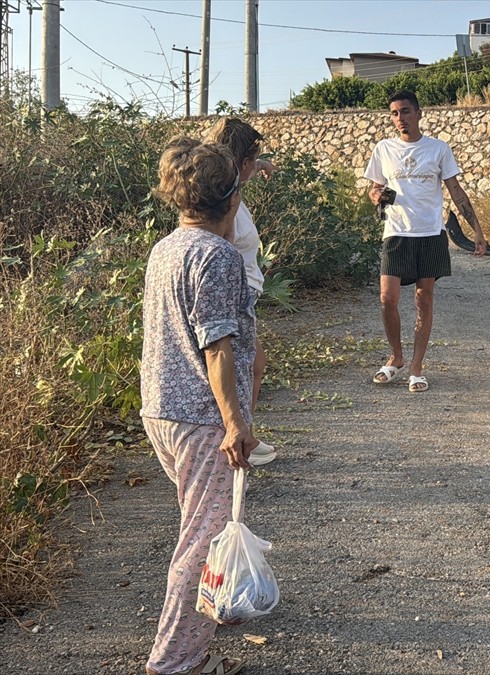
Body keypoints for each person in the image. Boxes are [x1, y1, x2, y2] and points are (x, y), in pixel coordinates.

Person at [141, 137, 256, 675]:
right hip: (201, 418)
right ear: (230, 198)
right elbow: (216, 345)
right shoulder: (219, 256)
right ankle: (175, 660)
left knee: (199, 522)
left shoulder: (166, 248)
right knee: (201, 539)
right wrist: (235, 423)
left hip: (161, 410)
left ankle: (211, 609)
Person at [364, 90, 487, 392]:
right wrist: (376, 196)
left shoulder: (438, 149)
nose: (400, 119)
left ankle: (417, 368)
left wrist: (477, 231)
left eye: (405, 111)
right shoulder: (384, 149)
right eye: (394, 113)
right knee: (387, 298)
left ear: (419, 113)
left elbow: (456, 191)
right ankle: (396, 357)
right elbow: (374, 189)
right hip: (396, 233)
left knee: (423, 299)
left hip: (430, 233)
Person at [202, 117, 276, 467]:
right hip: (234, 296)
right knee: (244, 368)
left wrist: (258, 164)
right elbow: (222, 245)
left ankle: (242, 433)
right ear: (241, 162)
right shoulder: (226, 201)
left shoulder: (225, 184)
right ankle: (236, 438)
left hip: (241, 295)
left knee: (252, 366)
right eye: (253, 158)